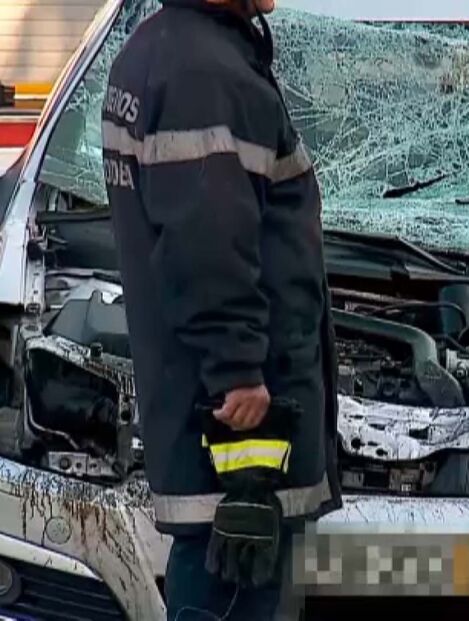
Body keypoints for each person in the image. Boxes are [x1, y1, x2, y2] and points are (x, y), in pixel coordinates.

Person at [101, 0, 342, 617]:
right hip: (237, 440)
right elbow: (205, 241)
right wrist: (238, 369)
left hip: (209, 426)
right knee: (233, 590)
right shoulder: (202, 73)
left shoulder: (169, 49)